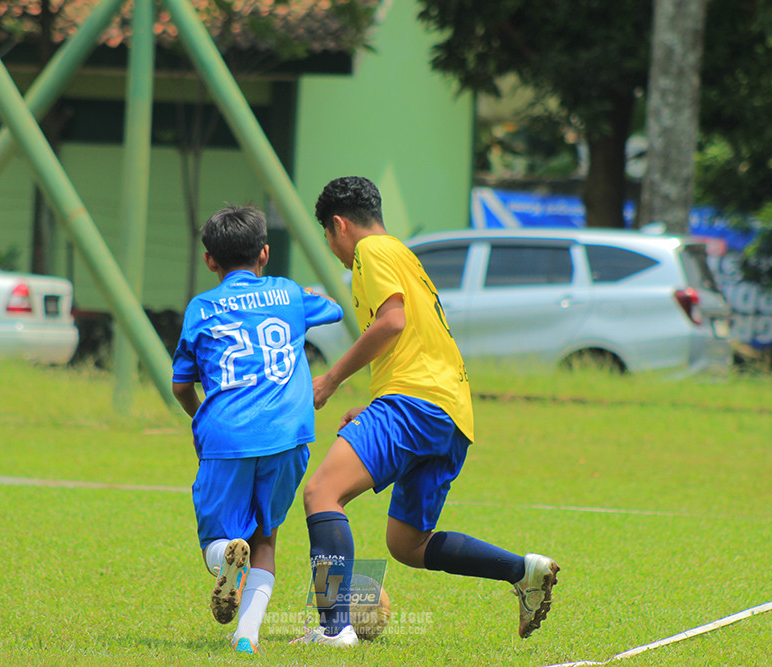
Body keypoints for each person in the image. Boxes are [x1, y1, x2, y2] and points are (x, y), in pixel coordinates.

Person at [292, 176, 560, 648]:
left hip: (413, 403)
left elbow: (392, 322)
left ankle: (333, 630)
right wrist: (376, 404)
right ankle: (523, 571)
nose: (332, 247)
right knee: (407, 544)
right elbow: (414, 339)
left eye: (328, 236)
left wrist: (331, 380)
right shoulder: (402, 253)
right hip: (450, 413)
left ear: (338, 225)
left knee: (321, 493)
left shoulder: (369, 253)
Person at [171, 205, 344, 654]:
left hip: (227, 433)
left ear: (210, 261)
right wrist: (300, 293)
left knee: (217, 538)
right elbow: (334, 309)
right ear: (264, 253)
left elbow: (179, 384)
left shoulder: (201, 306)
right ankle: (246, 636)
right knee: (266, 536)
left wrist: (201, 422)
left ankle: (225, 553)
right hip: (289, 433)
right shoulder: (288, 293)